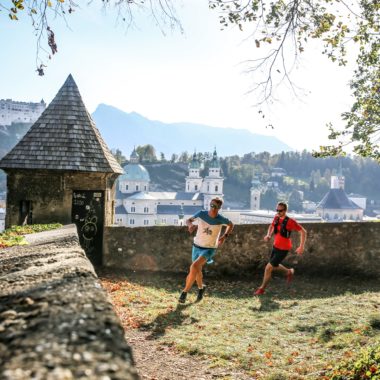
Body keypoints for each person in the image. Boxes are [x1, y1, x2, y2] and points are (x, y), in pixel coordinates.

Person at [178, 197, 234, 303]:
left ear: (219, 208)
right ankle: (201, 288)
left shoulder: (221, 219)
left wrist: (224, 236)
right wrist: (190, 226)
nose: (213, 208)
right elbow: (188, 220)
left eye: (215, 207)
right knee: (197, 270)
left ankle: (184, 293)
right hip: (197, 246)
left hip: (209, 248)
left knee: (194, 266)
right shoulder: (201, 213)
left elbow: (231, 225)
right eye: (211, 205)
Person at [254, 202, 307, 295]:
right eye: (277, 210)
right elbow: (271, 226)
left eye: (280, 210)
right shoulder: (276, 217)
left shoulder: (290, 221)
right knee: (274, 266)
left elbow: (303, 231)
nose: (278, 212)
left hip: (284, 249)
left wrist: (301, 246)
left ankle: (261, 289)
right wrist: (268, 235)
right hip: (275, 246)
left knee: (268, 268)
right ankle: (289, 272)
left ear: (285, 210)